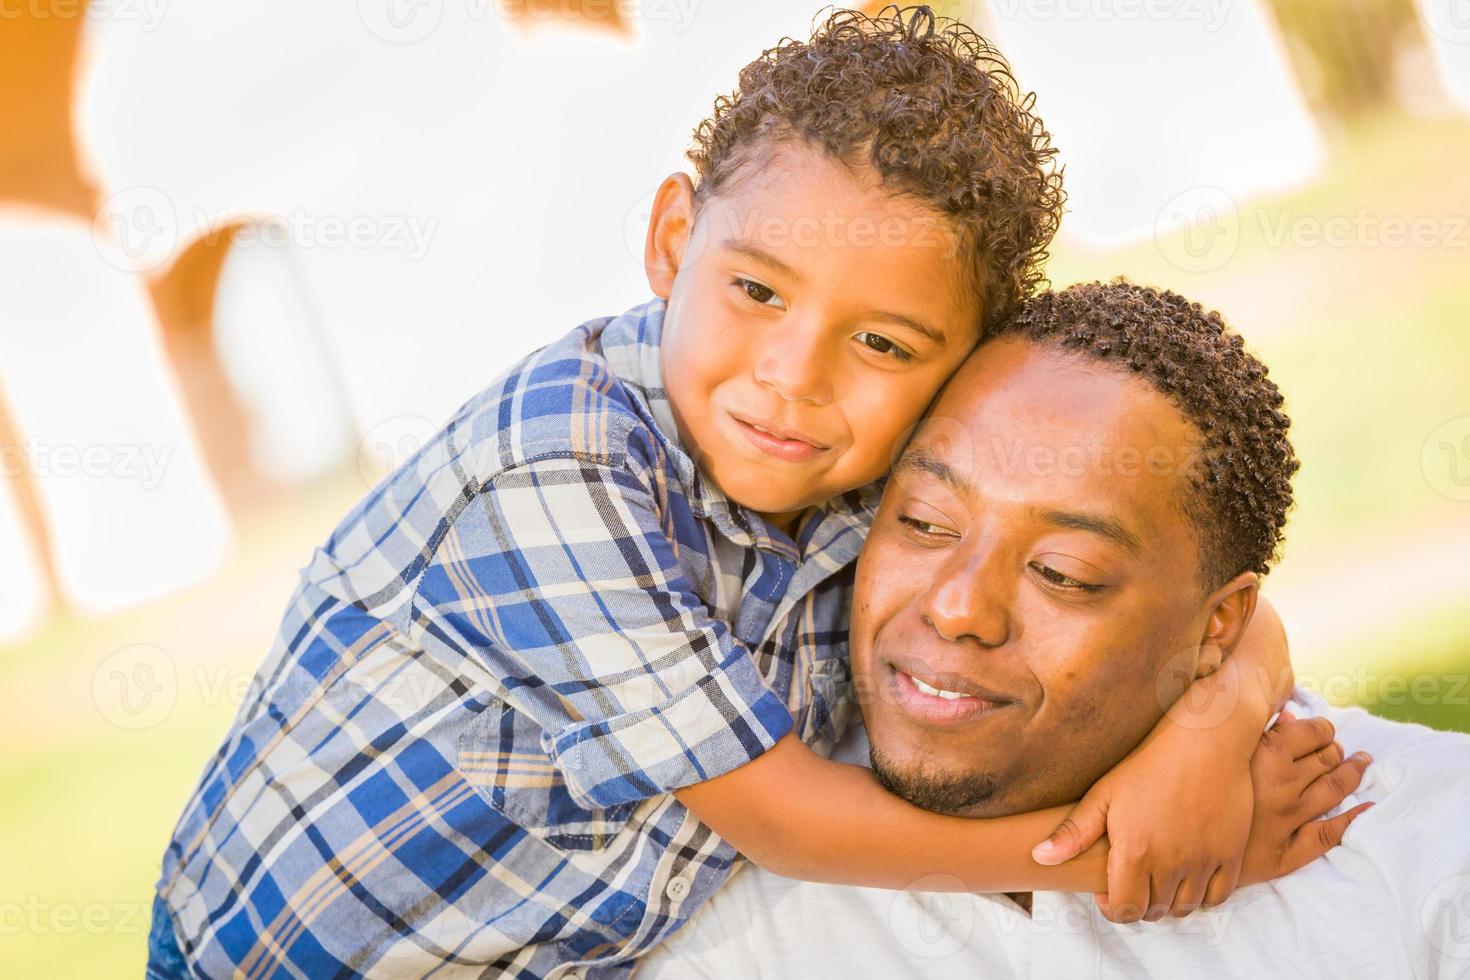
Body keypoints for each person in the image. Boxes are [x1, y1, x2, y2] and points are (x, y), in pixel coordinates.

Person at [146, 12, 1354, 979]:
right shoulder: (558, 459)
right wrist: (1115, 859)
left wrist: (1204, 730)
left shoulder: (888, 481)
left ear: (961, 363)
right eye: (759, 291)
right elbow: (790, 819)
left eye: (883, 344)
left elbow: (1212, 595)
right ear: (674, 236)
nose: (795, 379)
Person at [640, 281, 1468, 979]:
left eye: (1063, 573)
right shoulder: (713, 904)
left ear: (1219, 623)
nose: (956, 606)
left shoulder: (1423, 864)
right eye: (924, 522)